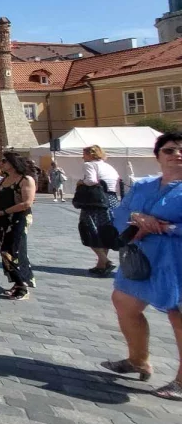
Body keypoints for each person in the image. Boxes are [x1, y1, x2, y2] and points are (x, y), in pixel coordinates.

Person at [101, 132, 182, 401]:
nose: (176, 155)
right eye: (169, 150)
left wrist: (166, 227)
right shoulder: (144, 185)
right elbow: (121, 212)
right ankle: (138, 360)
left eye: (181, 151)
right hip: (143, 257)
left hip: (177, 258)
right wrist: (137, 216)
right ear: (158, 156)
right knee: (124, 302)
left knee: (178, 317)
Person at [0, 152, 37, 300]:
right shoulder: (4, 180)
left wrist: (3, 212)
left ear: (13, 163)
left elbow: (27, 203)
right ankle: (18, 282)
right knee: (8, 250)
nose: (1, 164)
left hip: (18, 219)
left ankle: (22, 285)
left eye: (4, 161)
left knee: (11, 250)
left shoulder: (26, 180)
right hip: (2, 220)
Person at [79, 145, 121, 277]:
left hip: (96, 200)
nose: (82, 157)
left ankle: (106, 261)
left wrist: (81, 182)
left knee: (88, 229)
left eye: (84, 154)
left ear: (91, 155)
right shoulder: (109, 166)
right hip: (111, 199)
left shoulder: (90, 165)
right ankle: (101, 265)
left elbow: (91, 181)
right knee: (105, 231)